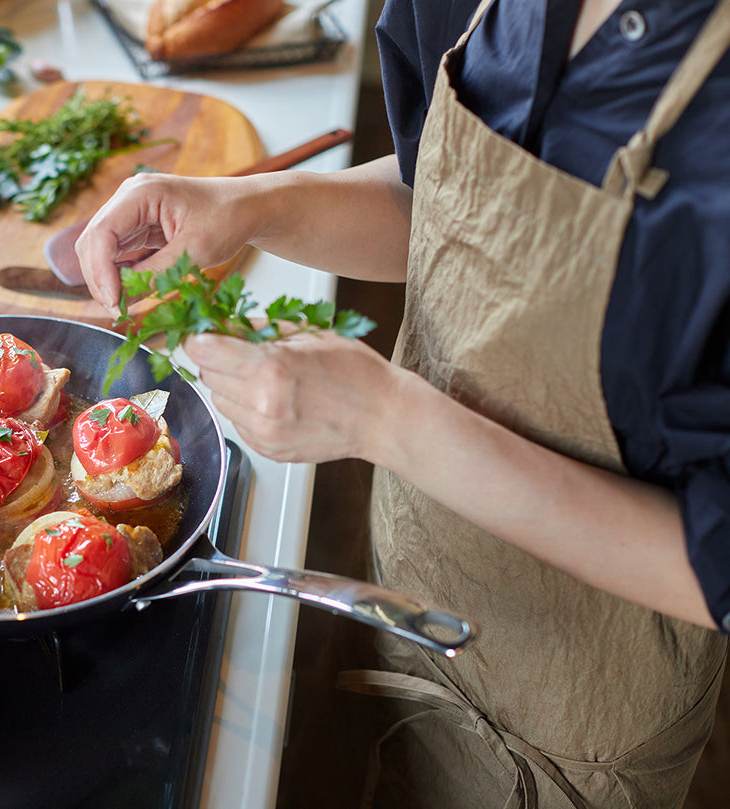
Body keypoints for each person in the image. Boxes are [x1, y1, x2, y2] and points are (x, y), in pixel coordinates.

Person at [74, 0, 730, 806]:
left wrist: (386, 420)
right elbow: (448, 205)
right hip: (414, 589)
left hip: (582, 716)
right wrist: (248, 207)